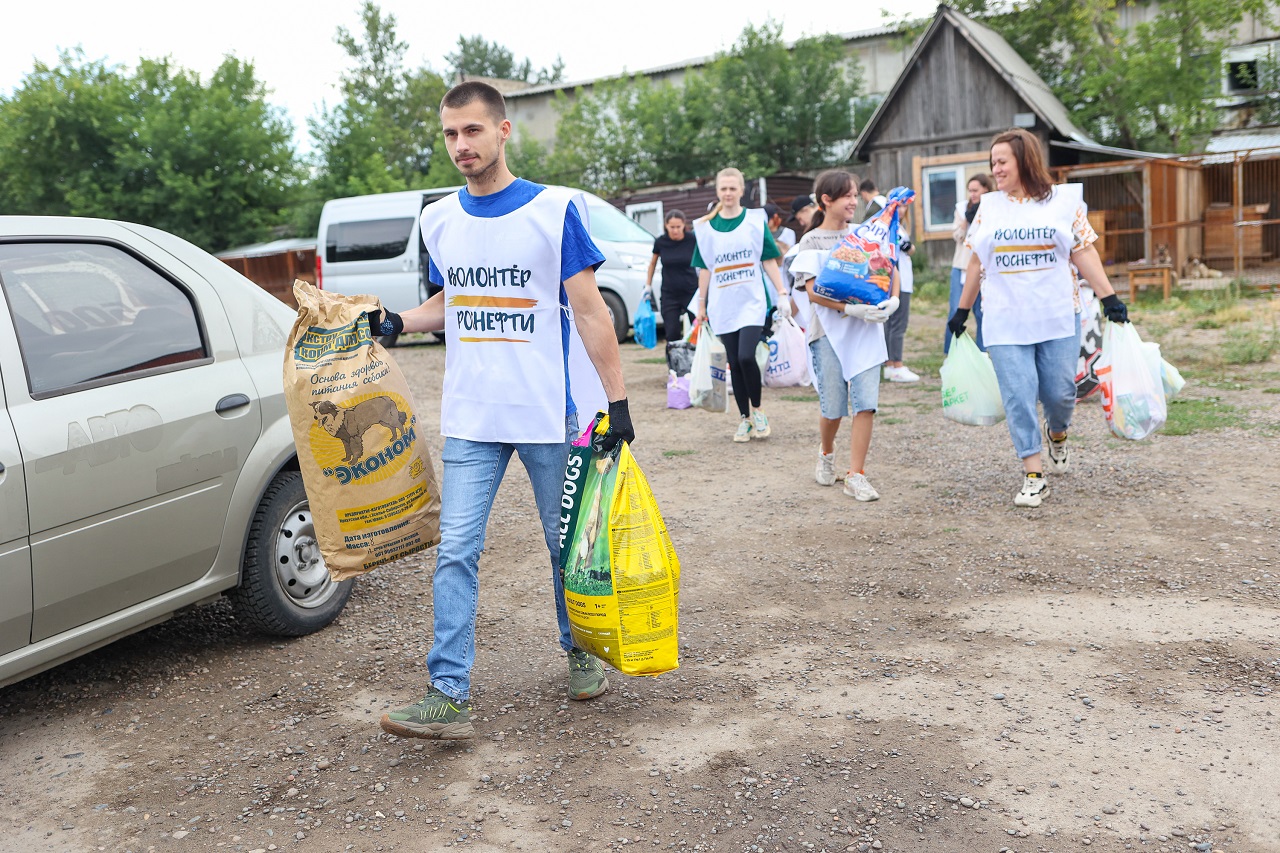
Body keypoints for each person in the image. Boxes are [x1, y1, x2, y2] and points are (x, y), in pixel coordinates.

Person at [368, 82, 632, 740]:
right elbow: (451, 304)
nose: (461, 145)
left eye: (473, 132)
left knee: (561, 546)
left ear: (503, 131)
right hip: (472, 416)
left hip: (547, 412)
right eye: (451, 134)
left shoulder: (554, 211)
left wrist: (618, 401)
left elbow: (592, 311)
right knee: (456, 548)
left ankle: (581, 654)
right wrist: (400, 319)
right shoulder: (438, 220)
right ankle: (447, 691)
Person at [948, 128, 1128, 508]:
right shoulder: (990, 208)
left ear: (1024, 161)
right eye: (992, 162)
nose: (995, 169)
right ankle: (1033, 474)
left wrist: (1109, 297)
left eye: (1001, 162)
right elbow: (976, 261)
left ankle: (1057, 432)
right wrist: (961, 311)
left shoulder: (1063, 203)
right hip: (1003, 321)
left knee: (1061, 393)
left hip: (1057, 317)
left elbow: (1084, 253)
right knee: (1018, 396)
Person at [791, 169, 899, 501]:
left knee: (865, 404)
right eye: (848, 196)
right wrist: (850, 309)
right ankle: (826, 451)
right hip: (827, 333)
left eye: (855, 195)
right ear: (827, 200)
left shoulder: (865, 234)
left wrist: (892, 299)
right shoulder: (811, 241)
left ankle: (856, 474)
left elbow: (887, 270)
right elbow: (812, 292)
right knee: (834, 408)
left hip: (866, 331)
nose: (855, 202)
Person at [693, 167, 791, 442]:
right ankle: (744, 419)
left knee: (747, 356)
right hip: (723, 304)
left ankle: (758, 411)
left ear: (741, 190)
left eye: (732, 188)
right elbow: (704, 268)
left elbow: (768, 259)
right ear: (717, 191)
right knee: (734, 362)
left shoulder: (754, 221)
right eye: (723, 188)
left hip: (752, 301)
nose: (727, 193)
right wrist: (701, 305)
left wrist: (782, 292)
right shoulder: (705, 228)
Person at [947, 173, 995, 353]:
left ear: (986, 189)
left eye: (976, 190)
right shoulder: (962, 209)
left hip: (983, 268)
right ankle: (953, 350)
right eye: (970, 191)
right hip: (962, 265)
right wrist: (966, 221)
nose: (972, 194)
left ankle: (983, 351)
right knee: (955, 308)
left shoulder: (993, 209)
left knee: (981, 312)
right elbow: (957, 236)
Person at [644, 210, 698, 344]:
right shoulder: (661, 242)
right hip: (670, 294)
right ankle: (674, 364)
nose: (675, 230)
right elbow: (652, 264)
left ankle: (696, 362)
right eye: (672, 227)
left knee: (697, 331)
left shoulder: (692, 239)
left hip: (691, 292)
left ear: (684, 225)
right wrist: (648, 286)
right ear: (666, 226)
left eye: (678, 227)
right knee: (672, 333)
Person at [882, 229, 919, 382]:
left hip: (901, 281)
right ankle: (896, 365)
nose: (902, 209)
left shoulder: (900, 227)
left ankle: (890, 365)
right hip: (898, 283)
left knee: (891, 324)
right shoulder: (892, 227)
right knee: (897, 324)